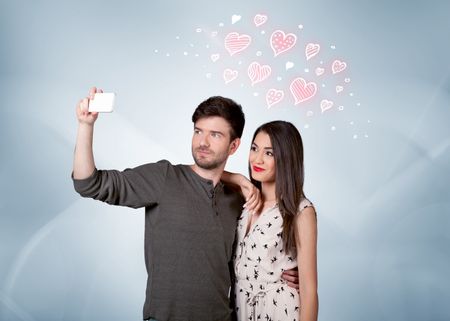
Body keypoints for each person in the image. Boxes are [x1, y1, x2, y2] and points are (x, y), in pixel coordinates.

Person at [72, 87, 297, 321]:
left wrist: (286, 274)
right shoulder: (163, 178)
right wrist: (85, 126)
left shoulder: (240, 199)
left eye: (215, 135)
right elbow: (89, 184)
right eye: (198, 131)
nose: (203, 141)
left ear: (234, 146)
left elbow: (249, 260)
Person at [228, 121, 318, 321]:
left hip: (280, 310)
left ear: (286, 158)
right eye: (254, 149)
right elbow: (211, 175)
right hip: (240, 309)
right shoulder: (246, 197)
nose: (257, 159)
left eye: (269, 153)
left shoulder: (301, 210)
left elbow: (309, 291)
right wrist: (240, 180)